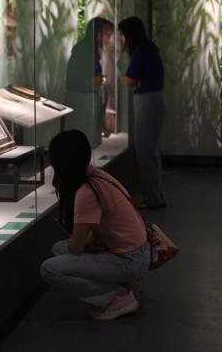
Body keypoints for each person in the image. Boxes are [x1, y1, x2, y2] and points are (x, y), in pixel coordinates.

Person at [40, 129, 150, 320]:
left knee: (49, 269)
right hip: (137, 251)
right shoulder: (98, 176)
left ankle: (115, 299)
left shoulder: (86, 192)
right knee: (59, 248)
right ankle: (125, 285)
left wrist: (82, 238)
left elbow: (76, 247)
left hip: (130, 259)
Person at [119, 16, 165, 209]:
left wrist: (135, 81)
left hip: (146, 101)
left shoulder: (139, 52)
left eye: (122, 34)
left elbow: (128, 80)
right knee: (150, 150)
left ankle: (152, 198)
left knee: (145, 151)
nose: (120, 38)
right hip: (155, 100)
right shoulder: (150, 49)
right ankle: (156, 195)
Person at [65, 17, 114, 148]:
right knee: (84, 142)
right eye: (107, 34)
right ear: (97, 33)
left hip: (85, 99)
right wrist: (102, 80)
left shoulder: (86, 50)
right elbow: (93, 80)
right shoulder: (85, 52)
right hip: (83, 100)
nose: (109, 39)